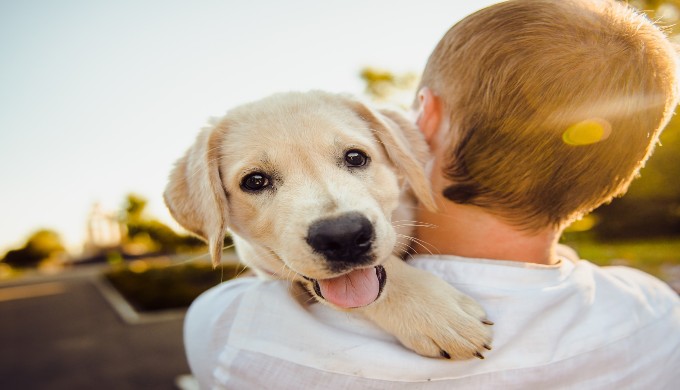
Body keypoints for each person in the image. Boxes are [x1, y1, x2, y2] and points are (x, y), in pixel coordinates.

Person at [184, 0, 680, 388]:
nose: (335, 218)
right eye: (258, 181)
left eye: (354, 158)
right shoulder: (658, 315)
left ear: (424, 123)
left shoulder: (231, 328)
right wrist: (389, 288)